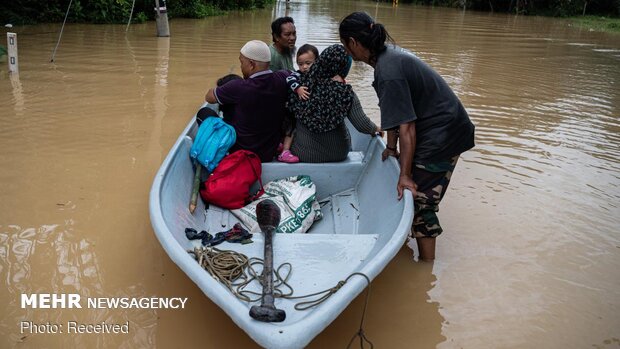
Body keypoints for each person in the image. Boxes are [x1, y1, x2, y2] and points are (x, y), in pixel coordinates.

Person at [339, 12, 475, 261]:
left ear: (353, 43)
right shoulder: (387, 58)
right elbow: (393, 110)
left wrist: (404, 175)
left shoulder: (388, 70)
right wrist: (391, 147)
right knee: (414, 188)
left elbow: (407, 127)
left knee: (421, 199)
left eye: (345, 45)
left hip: (442, 133)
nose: (347, 52)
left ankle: (425, 268)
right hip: (437, 127)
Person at [287, 44, 381, 163]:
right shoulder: (345, 92)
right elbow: (361, 124)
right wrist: (376, 128)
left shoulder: (299, 86)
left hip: (304, 153)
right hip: (339, 153)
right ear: (343, 67)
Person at [205, 40, 291, 162]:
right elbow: (294, 75)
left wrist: (224, 89)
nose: (241, 67)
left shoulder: (238, 87)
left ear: (251, 64)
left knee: (205, 113)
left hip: (241, 153)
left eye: (241, 62)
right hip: (268, 154)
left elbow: (209, 97)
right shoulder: (282, 78)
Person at [278, 44, 320, 163]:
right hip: (293, 110)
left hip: (308, 112)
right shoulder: (296, 75)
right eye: (300, 64)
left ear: (317, 62)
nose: (304, 67)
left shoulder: (319, 76)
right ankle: (284, 151)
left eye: (308, 63)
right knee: (290, 129)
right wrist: (298, 89)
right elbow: (289, 79)